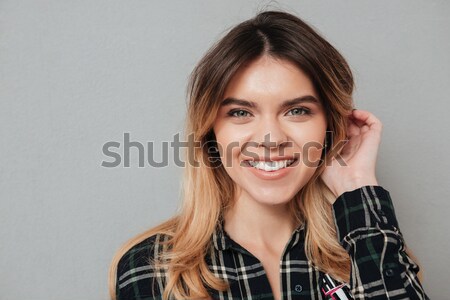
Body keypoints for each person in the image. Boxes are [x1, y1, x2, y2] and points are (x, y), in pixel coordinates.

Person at [109, 10, 429, 300]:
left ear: (331, 127)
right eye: (240, 113)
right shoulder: (154, 271)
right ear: (210, 131)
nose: (270, 139)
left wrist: (356, 184)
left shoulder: (371, 248)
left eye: (297, 110)